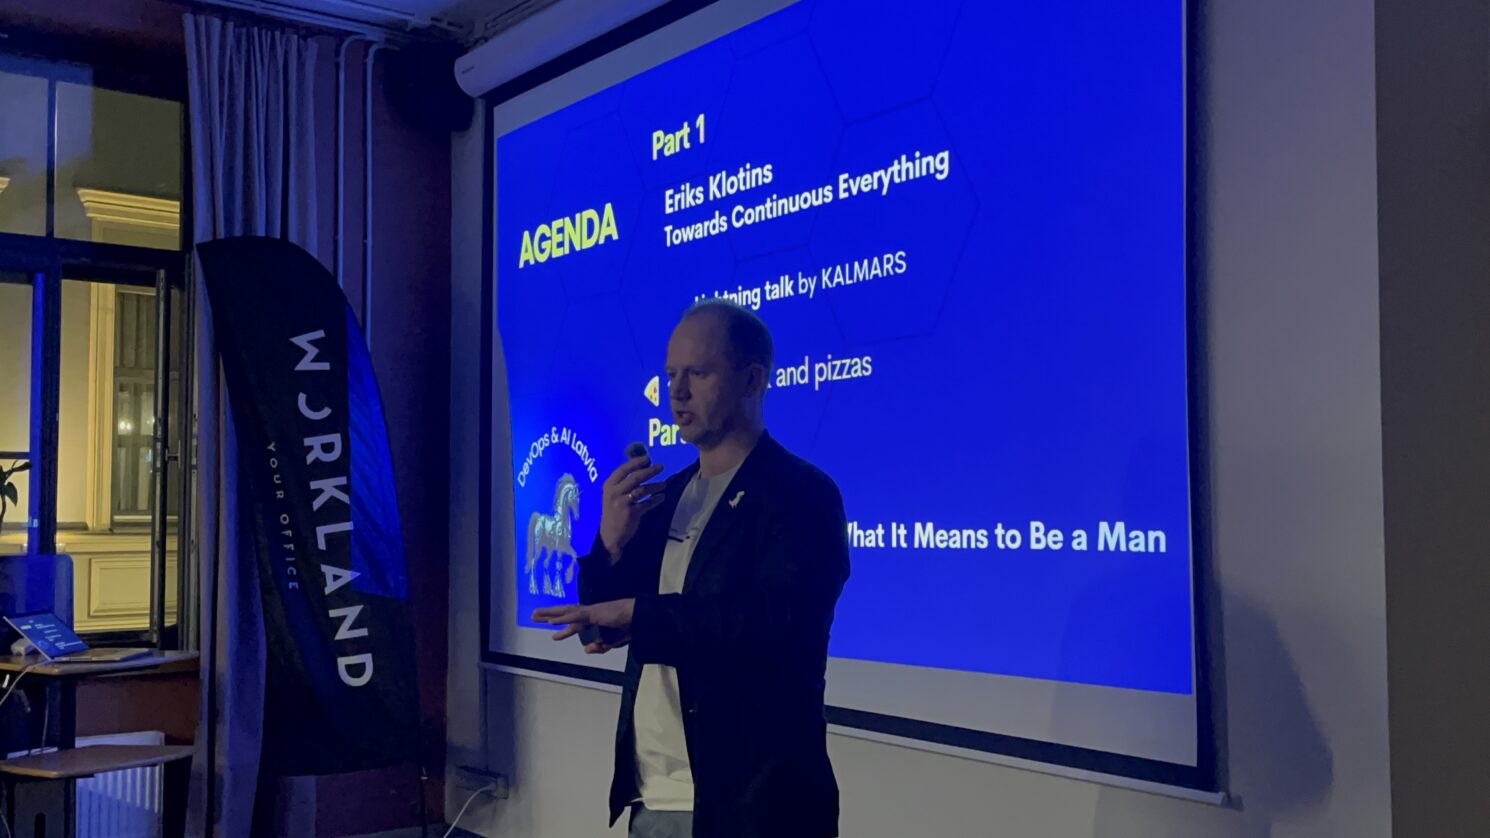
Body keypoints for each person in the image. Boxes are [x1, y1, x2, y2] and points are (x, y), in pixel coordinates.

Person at [533, 299, 851, 838]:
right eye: (671, 375)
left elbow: (775, 623)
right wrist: (610, 542)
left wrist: (638, 615)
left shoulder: (801, 494)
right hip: (653, 797)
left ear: (752, 380)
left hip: (755, 806)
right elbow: (597, 631)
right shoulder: (668, 496)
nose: (676, 393)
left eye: (697, 374)